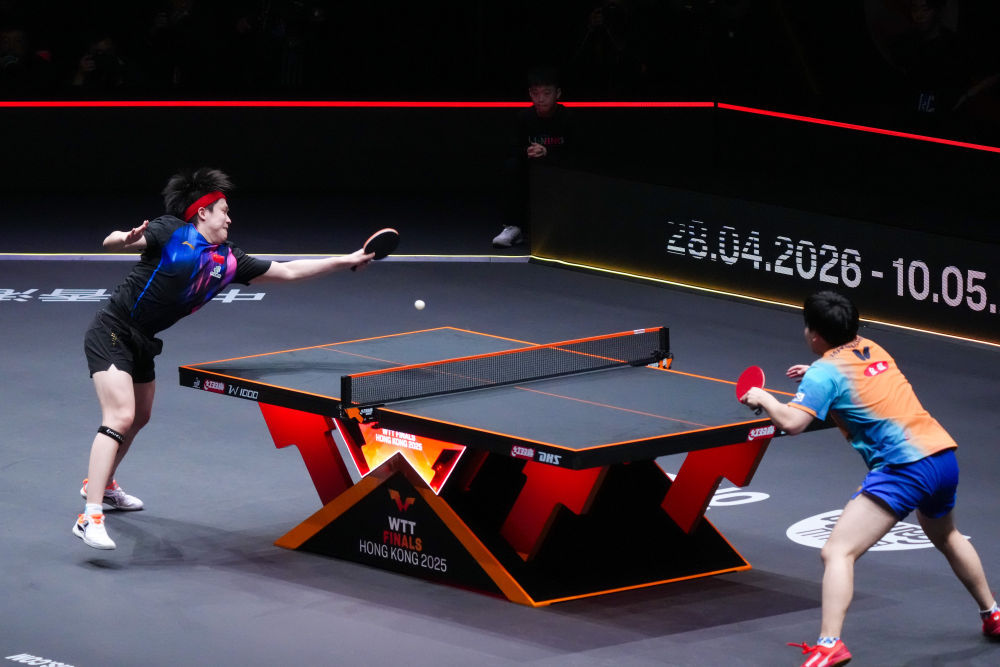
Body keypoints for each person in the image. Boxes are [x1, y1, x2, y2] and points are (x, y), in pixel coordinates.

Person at [74, 167, 374, 550]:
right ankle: (90, 517)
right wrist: (125, 238)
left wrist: (346, 260)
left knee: (140, 417)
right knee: (120, 416)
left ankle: (102, 485)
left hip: (143, 341)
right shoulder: (170, 231)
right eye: (224, 211)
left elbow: (289, 271)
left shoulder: (229, 260)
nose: (229, 219)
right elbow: (110, 242)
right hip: (112, 329)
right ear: (202, 212)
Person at [740, 290, 1000, 666]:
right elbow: (853, 378)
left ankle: (830, 644)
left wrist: (764, 398)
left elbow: (793, 423)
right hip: (942, 457)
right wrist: (813, 375)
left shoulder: (825, 373)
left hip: (904, 468)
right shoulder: (871, 348)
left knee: (837, 552)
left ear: (815, 334)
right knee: (947, 536)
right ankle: (993, 614)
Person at [492, 66, 575, 249]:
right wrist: (527, 151)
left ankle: (569, 226)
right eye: (536, 93)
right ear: (530, 94)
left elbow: (577, 151)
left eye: (546, 93)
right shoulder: (524, 117)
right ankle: (514, 227)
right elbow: (512, 148)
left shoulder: (568, 118)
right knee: (511, 166)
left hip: (559, 168)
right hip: (531, 168)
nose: (541, 98)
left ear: (557, 93)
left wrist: (548, 152)